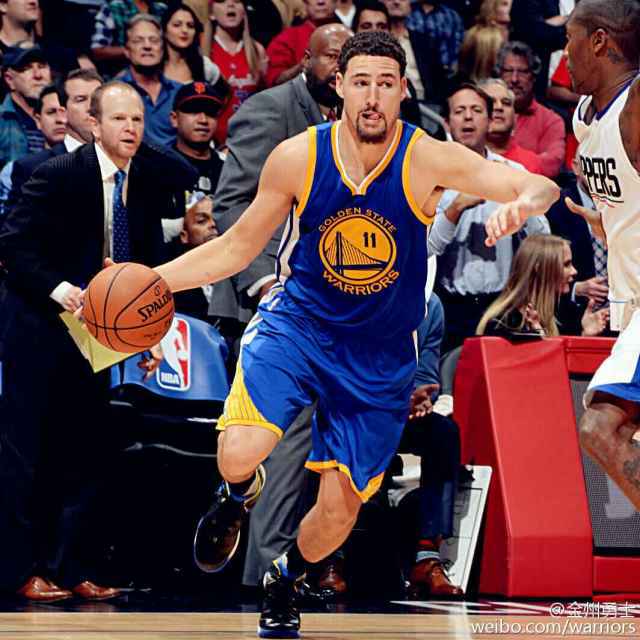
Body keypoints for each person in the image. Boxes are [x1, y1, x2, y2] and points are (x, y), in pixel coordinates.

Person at [144, 31, 558, 638]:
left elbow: (536, 184)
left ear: (402, 90)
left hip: (379, 354)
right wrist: (153, 280)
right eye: (361, 81)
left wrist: (524, 204)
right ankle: (236, 494)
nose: (372, 96)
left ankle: (284, 576)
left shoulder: (426, 157)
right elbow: (235, 248)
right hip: (299, 328)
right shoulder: (298, 156)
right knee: (238, 451)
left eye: (385, 84)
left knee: (336, 515)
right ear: (338, 86)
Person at [0, 80, 194, 603]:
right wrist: (62, 289)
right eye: (119, 119)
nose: (130, 128)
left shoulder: (143, 179)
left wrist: (150, 334)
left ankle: (70, 568)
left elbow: (185, 177)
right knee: (28, 454)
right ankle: (19, 571)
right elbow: (12, 245)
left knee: (86, 452)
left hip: (98, 331)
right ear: (93, 124)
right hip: (41, 324)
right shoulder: (57, 172)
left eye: (138, 119)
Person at [209, 22, 351, 592]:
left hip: (330, 311)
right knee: (279, 440)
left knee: (313, 445)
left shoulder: (353, 124)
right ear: (305, 59)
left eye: (347, 59)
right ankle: (265, 576)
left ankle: (289, 566)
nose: (338, 68)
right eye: (331, 57)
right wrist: (266, 281)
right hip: (267, 301)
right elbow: (231, 203)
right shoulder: (269, 111)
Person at [553, 0, 640, 510]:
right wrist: (609, 226)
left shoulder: (635, 105)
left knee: (601, 428)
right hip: (630, 305)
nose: (564, 52)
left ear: (600, 41)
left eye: (570, 38)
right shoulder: (586, 117)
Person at [429, 83, 550, 352]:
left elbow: (542, 240)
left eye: (476, 110)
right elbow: (425, 249)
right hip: (451, 309)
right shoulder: (431, 177)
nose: (468, 117)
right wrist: (455, 208)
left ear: (489, 120)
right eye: (459, 111)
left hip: (504, 306)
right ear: (447, 123)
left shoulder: (513, 173)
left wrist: (518, 205)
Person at [476, 234, 609, 338]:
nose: (574, 271)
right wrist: (539, 338)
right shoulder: (503, 323)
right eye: (566, 264)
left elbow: (569, 365)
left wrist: (585, 335)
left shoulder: (565, 315)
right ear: (539, 269)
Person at [495, 40, 566, 178]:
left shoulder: (550, 121)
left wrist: (498, 160)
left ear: (533, 76)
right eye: (508, 71)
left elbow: (550, 166)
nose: (514, 79)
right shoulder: (486, 114)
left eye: (522, 72)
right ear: (499, 74)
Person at [0, 82, 67, 216]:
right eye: (51, 112)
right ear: (38, 120)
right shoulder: (14, 170)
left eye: (64, 111)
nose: (60, 119)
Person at [209, 0, 267, 144]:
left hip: (251, 137)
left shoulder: (257, 50)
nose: (231, 4)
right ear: (211, 13)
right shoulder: (204, 50)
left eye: (237, 1)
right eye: (222, 1)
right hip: (214, 140)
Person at [120, 13, 182, 146]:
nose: (147, 46)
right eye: (138, 41)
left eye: (154, 40)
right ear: (126, 50)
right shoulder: (115, 93)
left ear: (163, 49)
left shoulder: (179, 92)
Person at [170, 80, 229, 199]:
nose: (203, 120)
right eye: (194, 111)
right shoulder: (159, 166)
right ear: (174, 119)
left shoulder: (229, 166)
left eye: (210, 113)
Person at [265, 0, 338, 87]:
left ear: (336, 2)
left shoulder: (348, 37)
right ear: (305, 3)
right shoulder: (287, 38)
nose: (320, 1)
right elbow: (275, 81)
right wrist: (301, 67)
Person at [0, 44, 51, 167]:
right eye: (27, 68)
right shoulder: (2, 121)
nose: (38, 75)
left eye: (42, 66)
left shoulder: (65, 117)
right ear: (9, 79)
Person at [481, 77, 545, 174]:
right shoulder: (464, 155)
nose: (499, 107)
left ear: (515, 117)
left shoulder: (531, 162)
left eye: (506, 103)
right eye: (491, 103)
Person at [91, 0, 167, 77]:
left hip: (160, 74)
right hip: (118, 75)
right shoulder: (114, 7)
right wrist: (133, 50)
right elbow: (98, 50)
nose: (147, 45)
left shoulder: (161, 9)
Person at [162, 2, 220, 84]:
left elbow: (225, 90)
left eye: (190, 26)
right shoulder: (154, 66)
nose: (185, 30)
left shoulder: (205, 66)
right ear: (164, 30)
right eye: (177, 25)